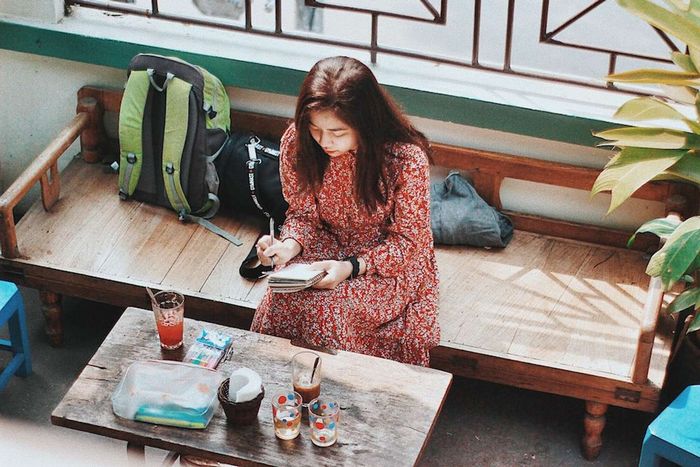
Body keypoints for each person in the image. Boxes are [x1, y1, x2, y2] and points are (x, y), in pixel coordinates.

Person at [251, 56, 439, 366]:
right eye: (315, 129)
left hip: (384, 261)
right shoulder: (298, 143)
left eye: (337, 132)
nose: (324, 141)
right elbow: (303, 215)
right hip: (325, 244)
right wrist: (288, 246)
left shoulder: (405, 160)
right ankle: (275, 381)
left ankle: (335, 388)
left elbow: (406, 243)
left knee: (330, 308)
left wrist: (350, 267)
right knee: (279, 300)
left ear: (365, 123)